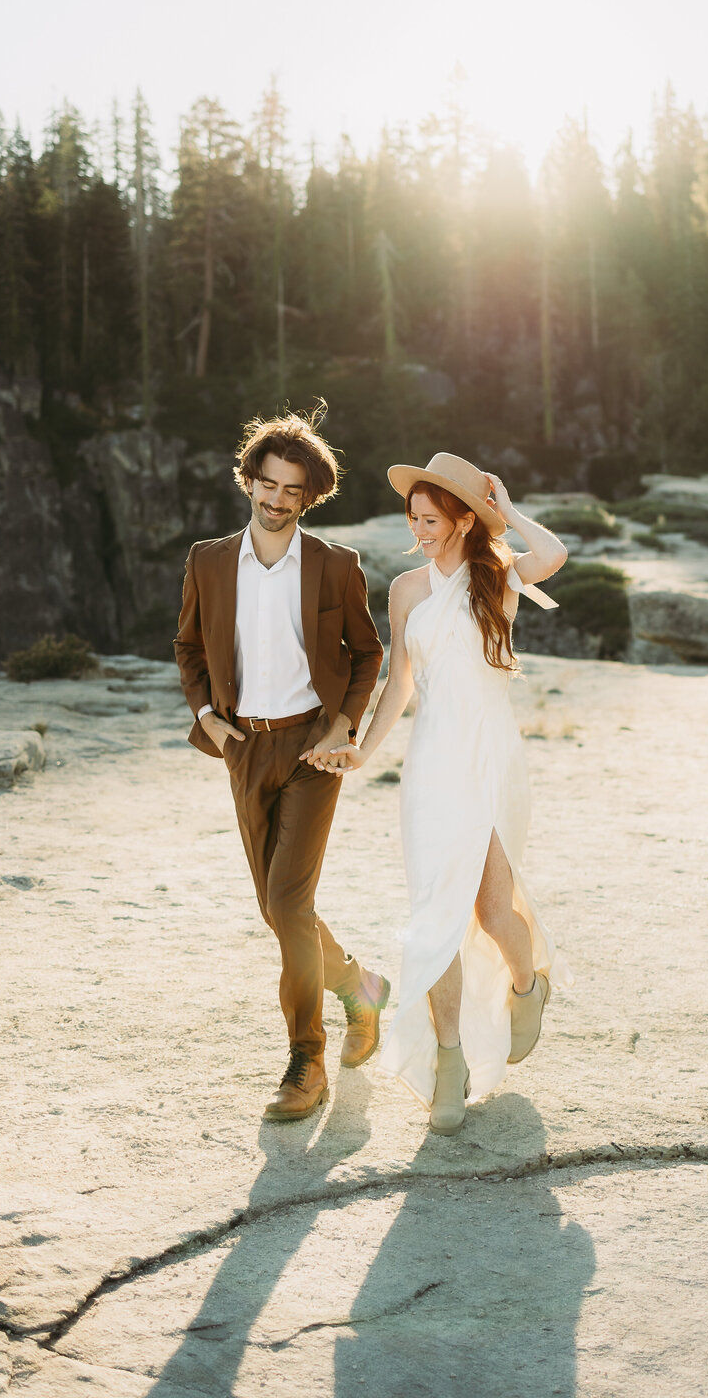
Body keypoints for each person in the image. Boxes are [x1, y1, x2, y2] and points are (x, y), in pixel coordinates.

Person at [309, 452, 568, 1135]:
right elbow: (400, 682)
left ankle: (528, 984)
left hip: (490, 757)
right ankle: (447, 1063)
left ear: (462, 520)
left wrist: (507, 511)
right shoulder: (405, 590)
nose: (419, 530)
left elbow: (554, 555)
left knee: (491, 909)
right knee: (435, 917)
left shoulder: (498, 576)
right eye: (414, 519)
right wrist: (362, 748)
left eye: (431, 519)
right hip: (431, 765)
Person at [173, 408, 387, 1122]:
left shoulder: (335, 565)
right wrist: (207, 717)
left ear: (309, 496)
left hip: (312, 748)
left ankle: (306, 1060)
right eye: (267, 483)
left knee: (289, 905)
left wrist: (344, 722)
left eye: (292, 490)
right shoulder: (207, 561)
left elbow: (367, 654)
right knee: (276, 908)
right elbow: (188, 648)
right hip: (243, 746)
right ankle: (359, 986)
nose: (276, 499)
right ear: (249, 481)